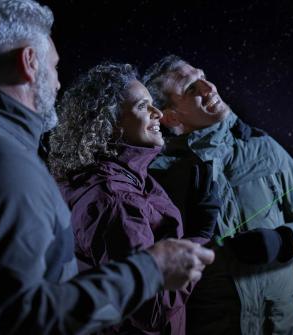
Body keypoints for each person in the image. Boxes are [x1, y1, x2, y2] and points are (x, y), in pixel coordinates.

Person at [0, 1, 213, 334]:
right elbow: (15, 317)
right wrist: (157, 267)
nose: (56, 83)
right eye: (54, 67)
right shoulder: (6, 166)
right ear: (29, 62)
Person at [143, 55, 293, 334]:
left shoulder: (263, 148)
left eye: (202, 77)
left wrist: (283, 241)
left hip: (282, 324)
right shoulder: (161, 174)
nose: (208, 89)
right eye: (191, 89)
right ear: (171, 116)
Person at [49, 62, 219, 335]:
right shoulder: (114, 199)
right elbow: (152, 311)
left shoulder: (104, 174)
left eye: (153, 104)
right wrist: (199, 236)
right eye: (142, 107)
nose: (157, 113)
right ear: (111, 124)